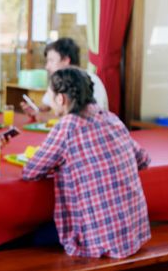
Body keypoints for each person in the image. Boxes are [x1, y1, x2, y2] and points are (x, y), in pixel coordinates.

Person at [22, 67, 151, 258]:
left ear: (61, 99)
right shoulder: (111, 118)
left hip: (98, 241)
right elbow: (143, 160)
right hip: (133, 234)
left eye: (50, 94)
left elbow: (31, 171)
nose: (48, 100)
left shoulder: (68, 126)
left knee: (27, 238)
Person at [20, 38, 108, 121]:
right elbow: (47, 105)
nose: (47, 67)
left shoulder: (89, 80)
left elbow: (88, 119)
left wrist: (43, 116)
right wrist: (35, 109)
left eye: (51, 61)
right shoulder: (59, 80)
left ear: (66, 60)